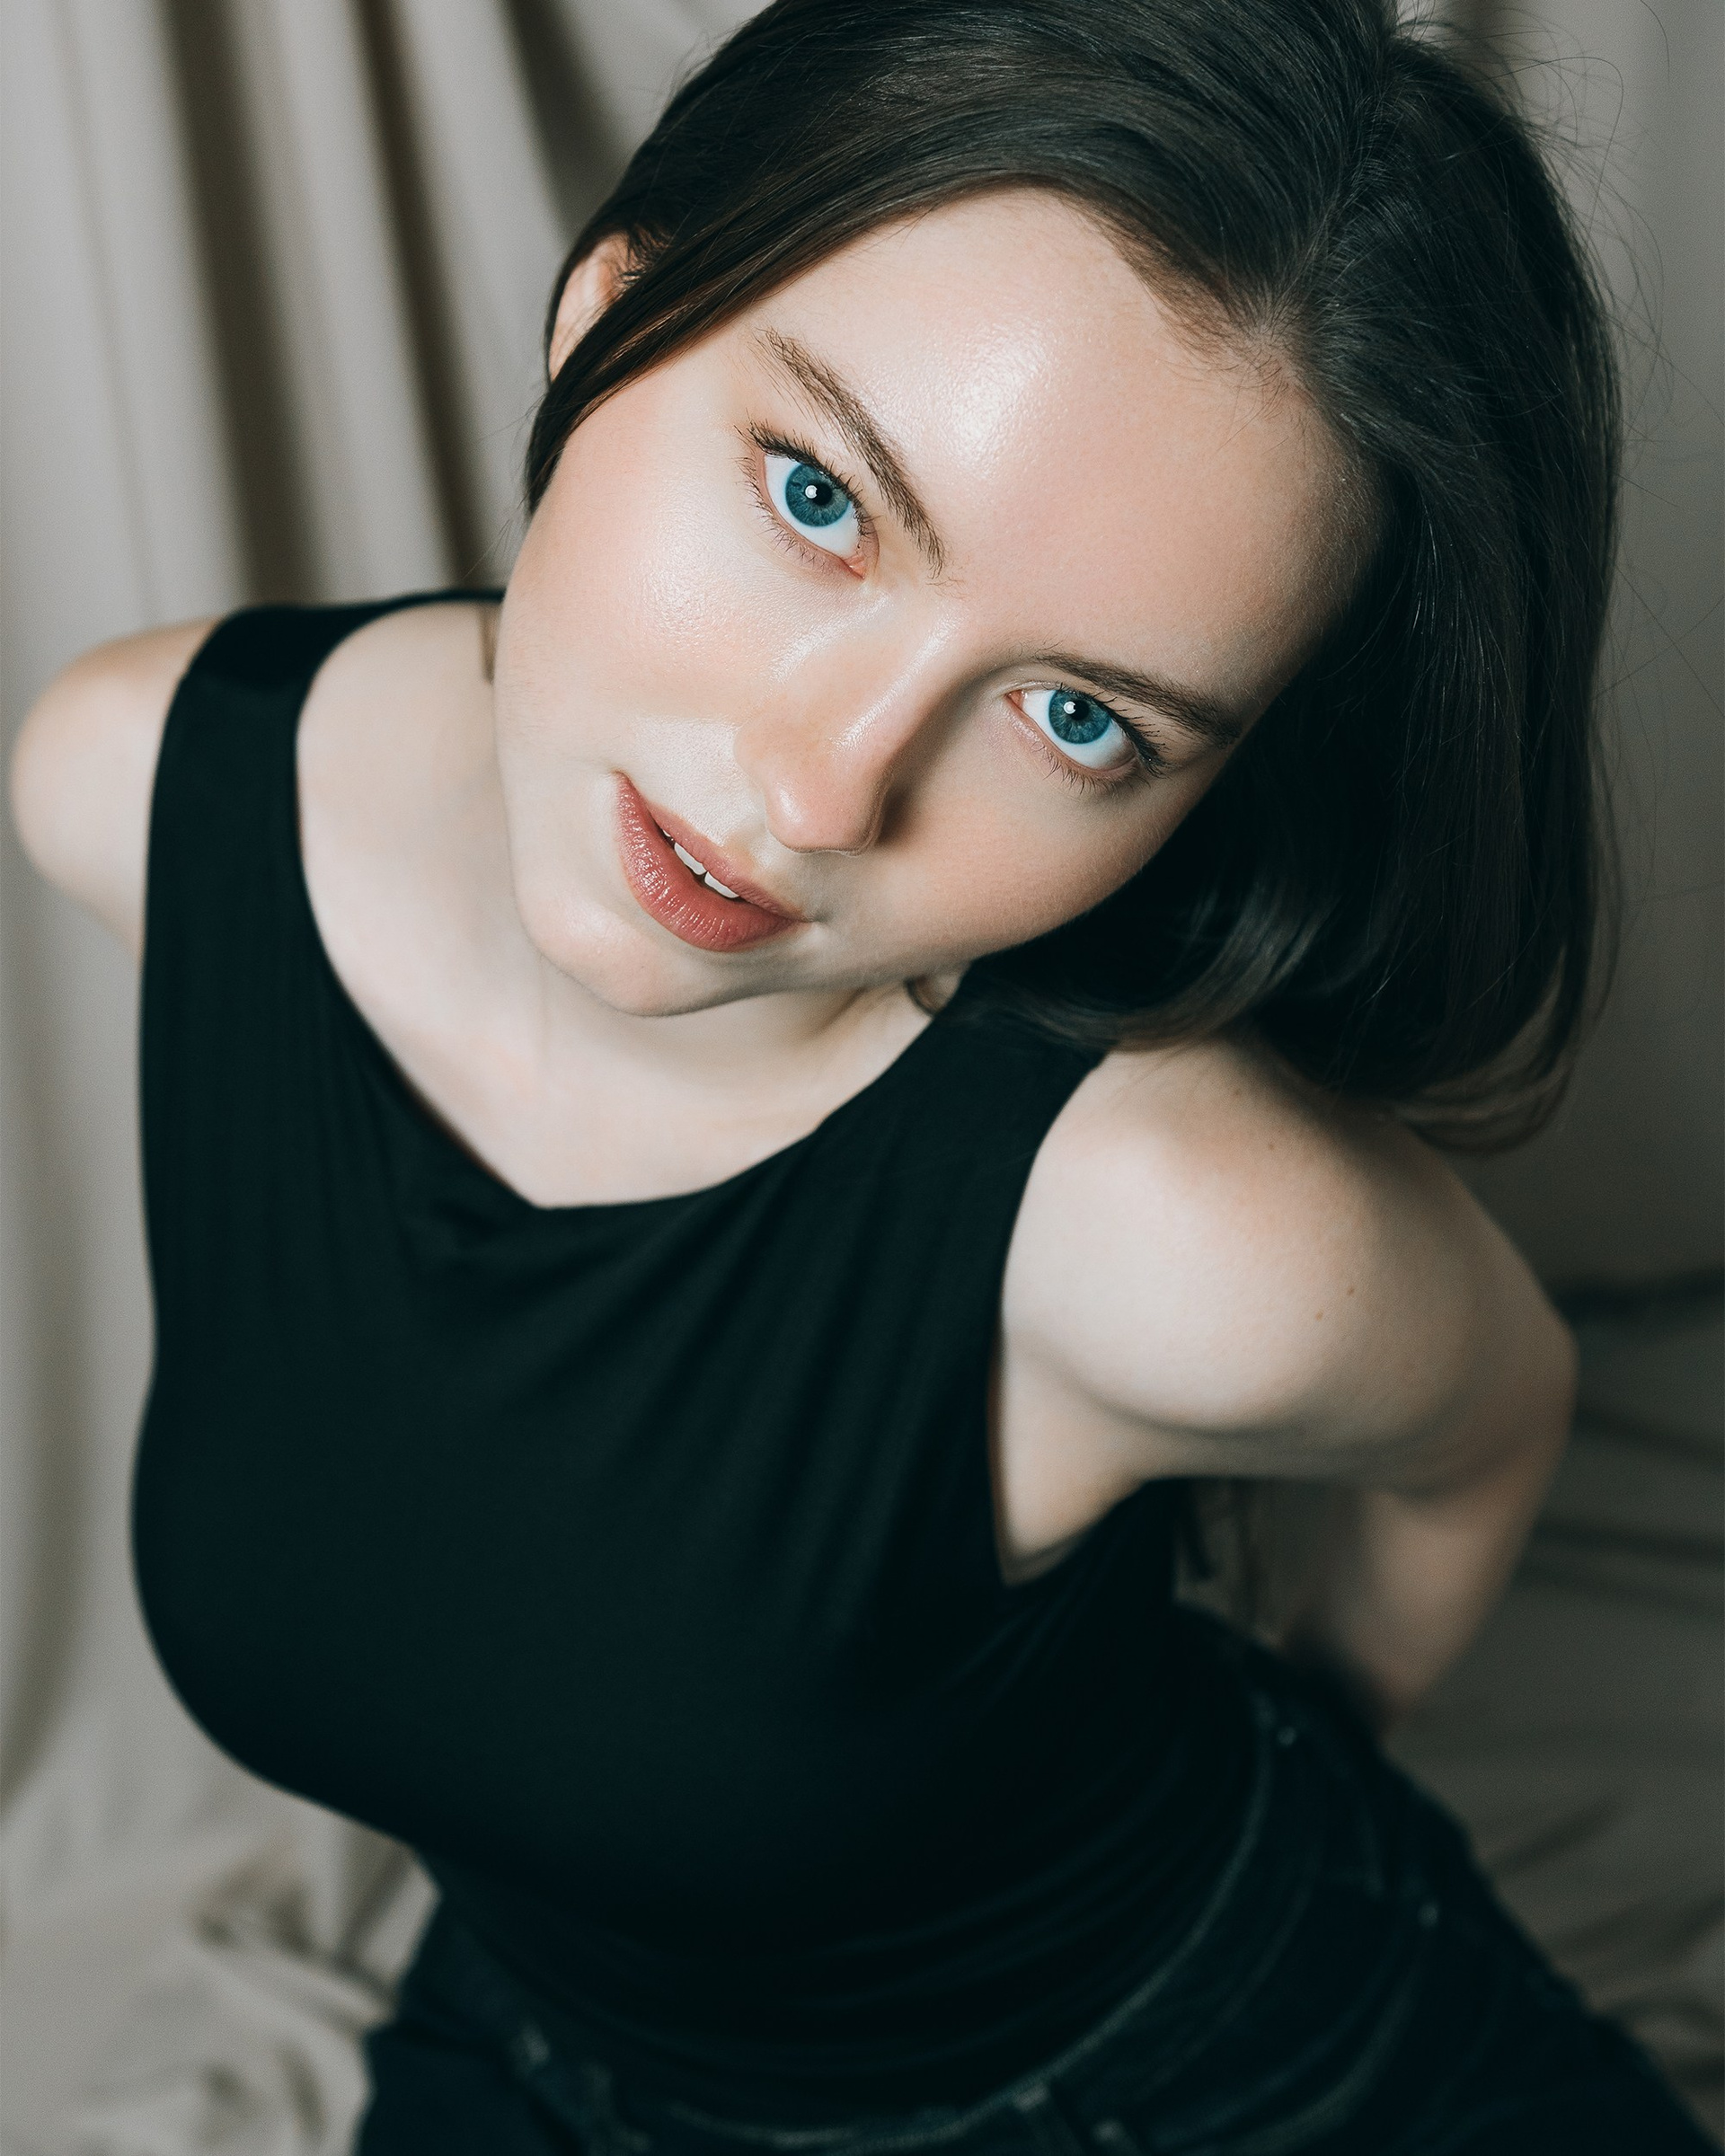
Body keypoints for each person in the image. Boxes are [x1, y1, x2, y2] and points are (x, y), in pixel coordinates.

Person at [11, 0, 1713, 2149]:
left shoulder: (1185, 1229)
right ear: (608, 316)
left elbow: (1495, 1405)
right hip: (528, 2043)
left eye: (1081, 720)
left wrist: (1331, 1716)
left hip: (1195, 2082)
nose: (821, 793)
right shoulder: (138, 785)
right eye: (816, 498)